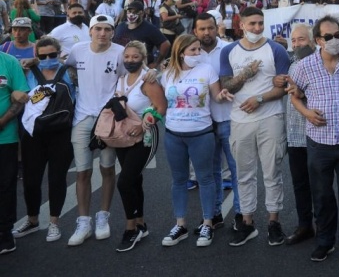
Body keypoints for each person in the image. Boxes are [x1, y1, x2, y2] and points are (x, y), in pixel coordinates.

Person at [291, 15, 339, 269]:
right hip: (318, 143)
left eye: (338, 35)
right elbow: (295, 96)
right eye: (329, 37)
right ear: (318, 40)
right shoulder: (304, 66)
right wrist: (307, 113)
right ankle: (324, 241)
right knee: (322, 196)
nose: (335, 40)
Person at [219, 6, 291, 247]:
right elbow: (228, 85)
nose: (257, 28)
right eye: (252, 24)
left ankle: (274, 222)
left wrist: (260, 98)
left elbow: (283, 87)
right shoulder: (229, 51)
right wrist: (246, 74)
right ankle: (247, 223)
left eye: (260, 23)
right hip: (240, 121)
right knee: (244, 174)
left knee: (272, 172)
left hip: (271, 117)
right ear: (241, 25)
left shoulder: (277, 50)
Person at [160, 34, 228, 247]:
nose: (198, 54)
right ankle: (180, 224)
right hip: (173, 133)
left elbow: (216, 96)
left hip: (201, 133)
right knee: (179, 180)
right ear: (180, 52)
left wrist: (223, 94)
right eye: (193, 51)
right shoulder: (167, 73)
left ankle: (208, 222)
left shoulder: (207, 70)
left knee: (205, 178)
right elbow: (163, 101)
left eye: (199, 50)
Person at [64, 13, 125, 246]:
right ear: (90, 31)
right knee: (82, 172)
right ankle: (83, 222)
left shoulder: (119, 52)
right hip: (82, 117)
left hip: (108, 118)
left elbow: (132, 74)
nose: (102, 33)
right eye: (97, 28)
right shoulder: (77, 50)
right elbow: (62, 66)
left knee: (107, 169)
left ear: (112, 31)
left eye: (107, 29)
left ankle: (103, 218)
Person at [11, 37, 75, 245]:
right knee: (31, 180)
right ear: (36, 56)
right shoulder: (28, 72)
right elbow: (16, 94)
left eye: (52, 55)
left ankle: (54, 222)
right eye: (42, 56)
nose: (48, 59)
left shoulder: (70, 72)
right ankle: (32, 220)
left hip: (62, 133)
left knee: (57, 179)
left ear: (59, 53)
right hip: (33, 134)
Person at [113, 41, 167, 252]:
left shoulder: (149, 80)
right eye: (127, 57)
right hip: (122, 136)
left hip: (144, 136)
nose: (130, 60)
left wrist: (144, 125)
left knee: (124, 182)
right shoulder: (122, 79)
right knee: (134, 180)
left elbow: (161, 108)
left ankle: (130, 229)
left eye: (135, 57)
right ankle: (141, 224)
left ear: (143, 58)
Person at [193, 13, 239, 232]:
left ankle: (241, 215)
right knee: (211, 173)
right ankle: (214, 215)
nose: (206, 33)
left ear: (216, 28)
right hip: (204, 124)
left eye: (210, 28)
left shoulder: (230, 49)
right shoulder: (190, 53)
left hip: (231, 118)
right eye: (201, 29)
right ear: (195, 31)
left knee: (238, 170)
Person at [283, 23, 316, 245]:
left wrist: (302, 92)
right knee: (300, 183)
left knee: (321, 184)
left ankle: (324, 225)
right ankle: (305, 225)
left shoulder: (321, 62)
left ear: (312, 41)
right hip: (295, 134)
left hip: (318, 132)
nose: (296, 44)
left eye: (301, 39)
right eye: (293, 40)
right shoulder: (292, 63)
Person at [0, 49, 28, 255]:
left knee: (5, 187)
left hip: (5, 137)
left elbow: (20, 98)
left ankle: (5, 234)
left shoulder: (9, 62)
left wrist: (2, 121)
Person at [113, 0, 171, 67]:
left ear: (141, 13)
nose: (131, 14)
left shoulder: (149, 28)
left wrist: (156, 63)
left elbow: (165, 44)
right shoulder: (121, 26)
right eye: (129, 11)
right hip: (120, 65)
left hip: (140, 67)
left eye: (135, 12)